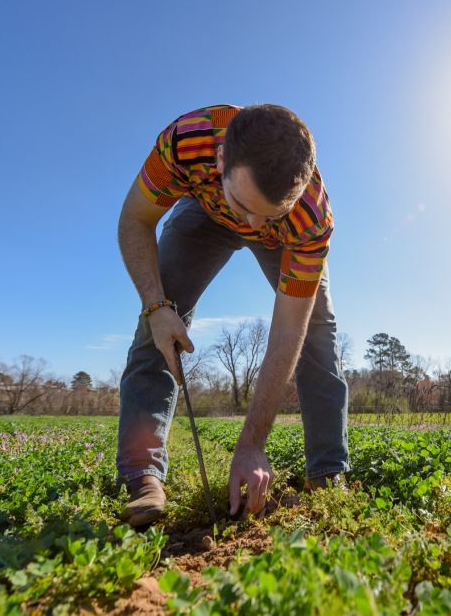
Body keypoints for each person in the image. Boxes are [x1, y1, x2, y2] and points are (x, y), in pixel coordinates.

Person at [115, 103, 349, 527]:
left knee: (317, 332)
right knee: (158, 325)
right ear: (220, 160)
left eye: (268, 214)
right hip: (203, 213)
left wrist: (252, 444)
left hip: (288, 234)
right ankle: (142, 477)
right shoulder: (187, 142)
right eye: (245, 205)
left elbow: (287, 331)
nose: (253, 225)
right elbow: (135, 219)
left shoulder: (309, 218)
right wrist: (156, 305)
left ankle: (327, 472)